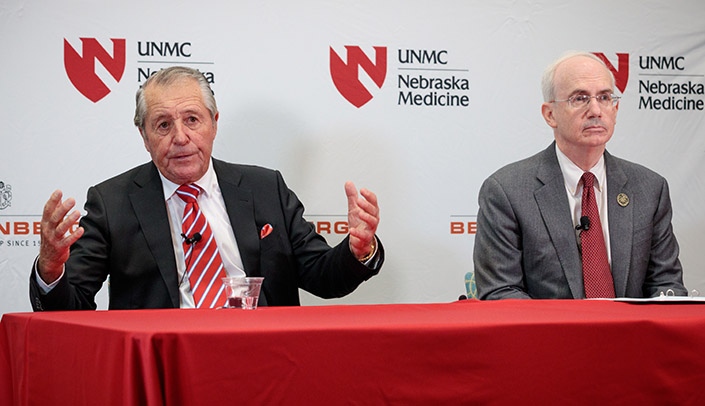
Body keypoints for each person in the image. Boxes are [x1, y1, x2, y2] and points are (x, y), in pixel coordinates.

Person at [30, 66, 383, 310]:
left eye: (192, 120)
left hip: (264, 357)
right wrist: (50, 269)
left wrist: (358, 251)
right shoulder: (112, 202)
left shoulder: (265, 187)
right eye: (163, 124)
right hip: (164, 364)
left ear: (214, 124)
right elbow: (71, 304)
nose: (180, 138)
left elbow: (322, 276)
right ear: (144, 136)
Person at [473, 51, 686, 300]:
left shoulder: (650, 188)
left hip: (630, 337)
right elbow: (502, 292)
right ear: (549, 114)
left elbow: (666, 283)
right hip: (549, 337)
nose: (595, 110)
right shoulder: (507, 191)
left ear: (615, 109)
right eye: (580, 98)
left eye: (605, 97)